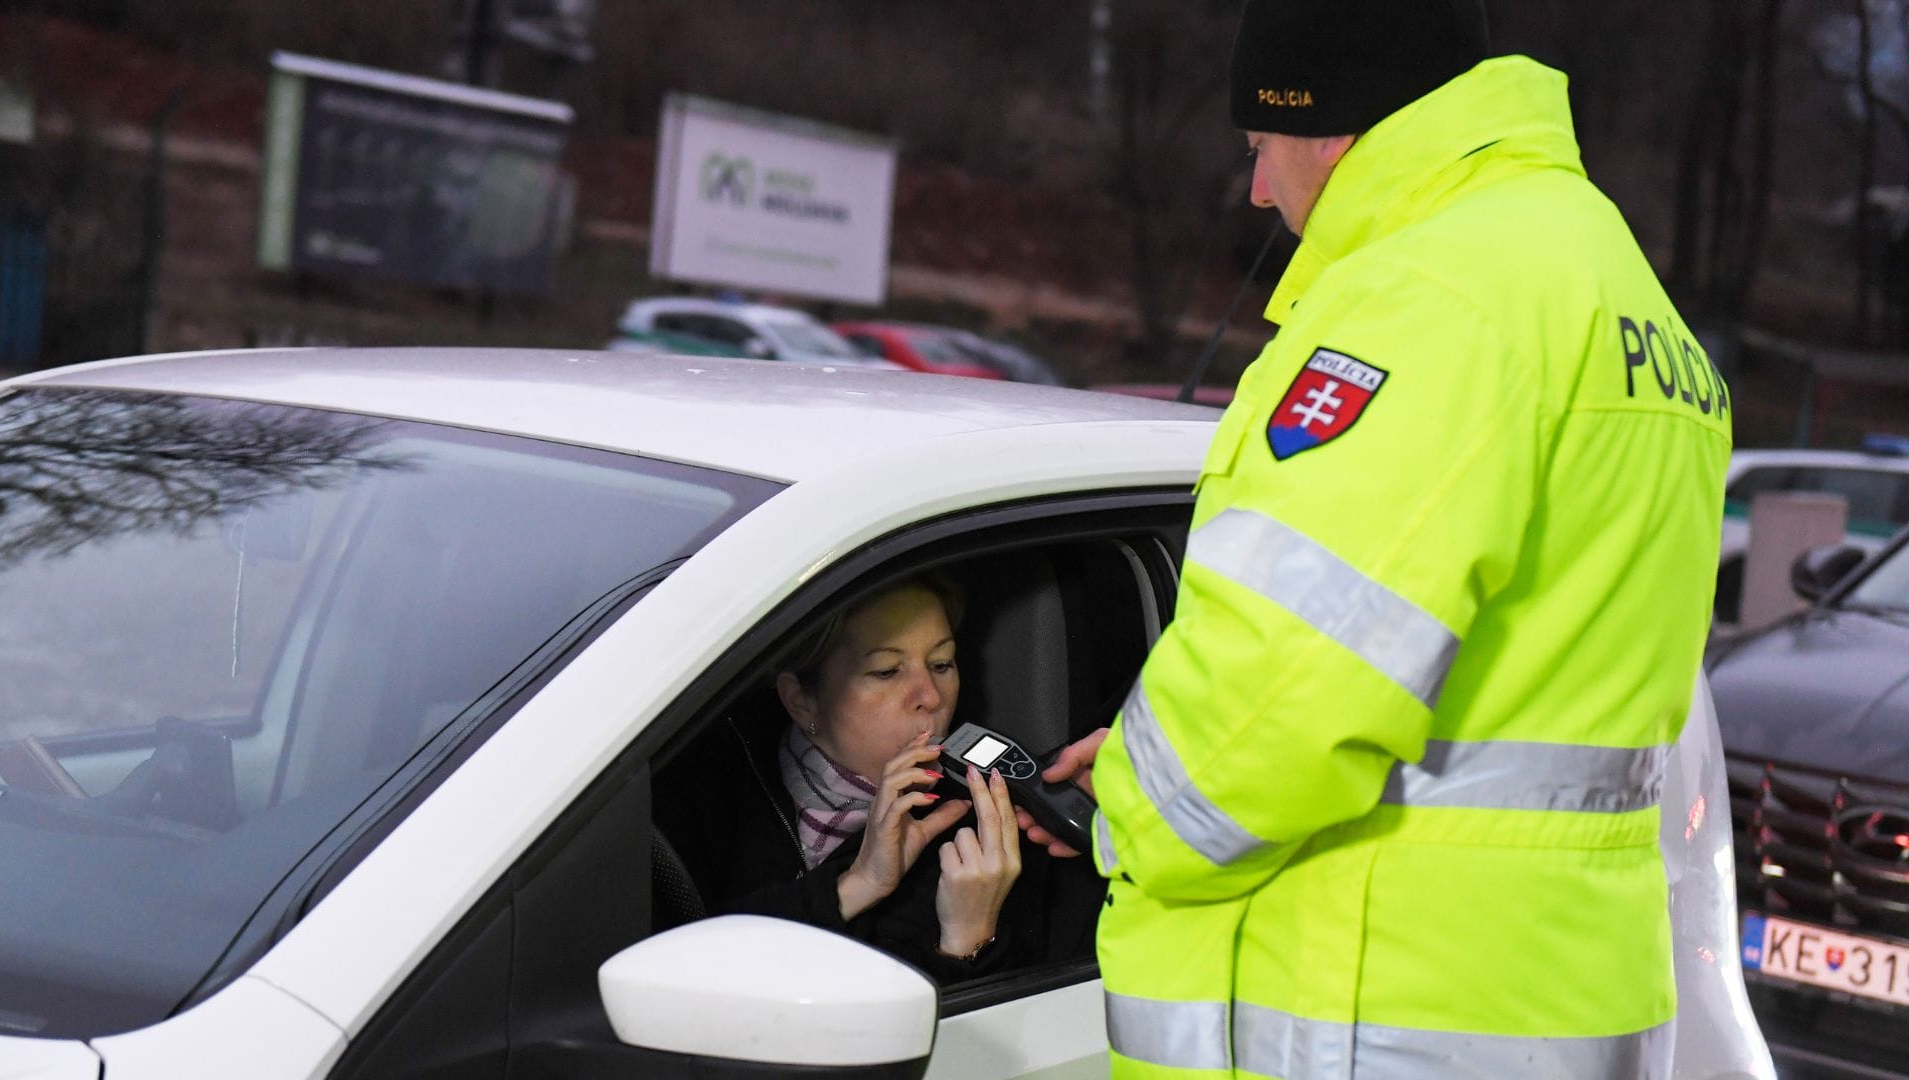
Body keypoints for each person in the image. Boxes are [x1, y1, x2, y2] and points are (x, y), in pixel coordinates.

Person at [1020, 2, 1733, 1076]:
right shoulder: (1611, 282)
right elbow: (1510, 694)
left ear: (1334, 128)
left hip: (1385, 1006)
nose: (1257, 190)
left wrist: (1122, 816)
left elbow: (1293, 681)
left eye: (1260, 148)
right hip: (1557, 993)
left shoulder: (1432, 297)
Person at [671, 575, 1030, 982]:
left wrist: (968, 939)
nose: (930, 696)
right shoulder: (709, 789)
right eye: (887, 671)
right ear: (802, 700)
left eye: (941, 664)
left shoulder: (980, 828)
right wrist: (860, 883)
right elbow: (683, 973)